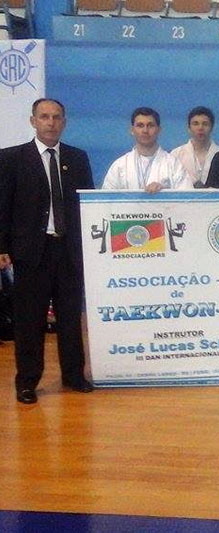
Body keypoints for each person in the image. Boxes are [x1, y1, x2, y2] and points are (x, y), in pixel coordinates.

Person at [0, 98, 95, 404]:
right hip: (31, 252)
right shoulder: (11, 158)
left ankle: (74, 375)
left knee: (70, 318)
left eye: (56, 117)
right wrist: (2, 247)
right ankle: (27, 381)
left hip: (68, 250)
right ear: (33, 121)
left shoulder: (77, 158)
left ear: (64, 122)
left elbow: (86, 206)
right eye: (44, 117)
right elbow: (3, 205)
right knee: (29, 321)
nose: (50, 122)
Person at [102, 107, 192, 191]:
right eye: (140, 125)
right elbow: (105, 199)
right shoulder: (119, 166)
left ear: (159, 130)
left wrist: (164, 192)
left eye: (150, 125)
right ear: (132, 130)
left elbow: (187, 198)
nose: (145, 130)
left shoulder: (173, 164)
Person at [170, 106, 219, 187]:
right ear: (189, 128)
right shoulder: (176, 154)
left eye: (205, 124)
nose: (200, 128)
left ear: (212, 128)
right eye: (195, 124)